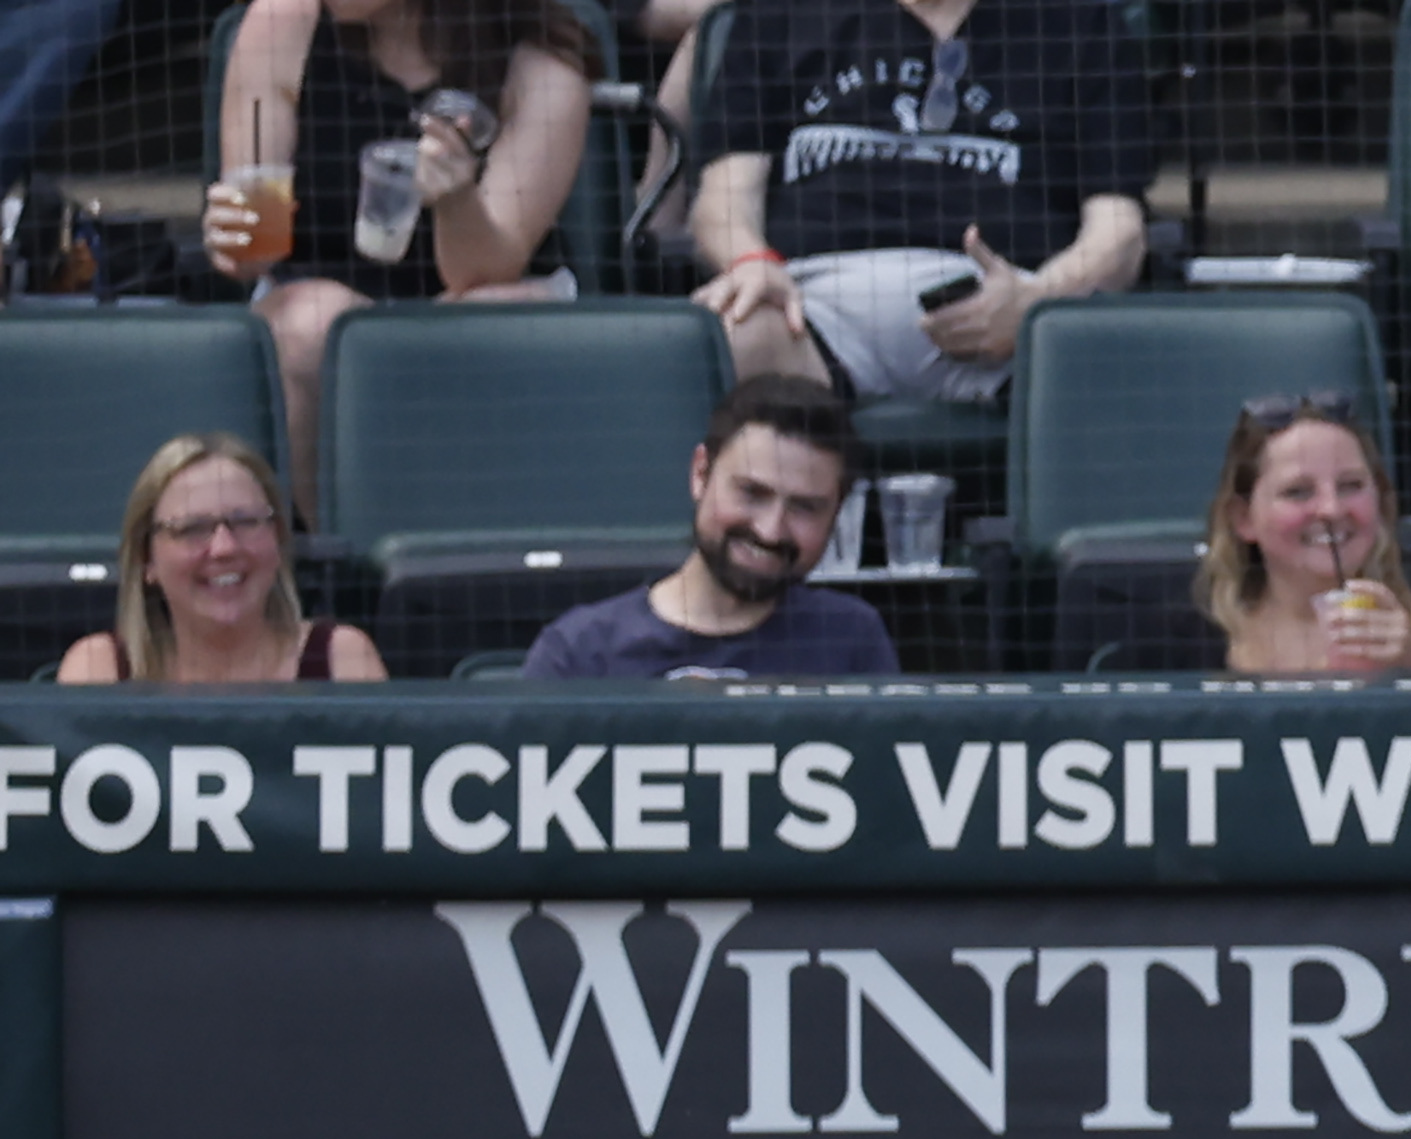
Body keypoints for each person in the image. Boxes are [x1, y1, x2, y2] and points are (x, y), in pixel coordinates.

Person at [205, 0, 597, 517]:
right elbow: (258, 235)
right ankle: (344, 562)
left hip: (479, 293)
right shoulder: (282, 20)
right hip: (320, 297)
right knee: (309, 321)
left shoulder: (543, 64)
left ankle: (461, 557)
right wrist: (236, 240)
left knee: (495, 314)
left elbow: (486, 267)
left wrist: (457, 202)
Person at [687, 0, 1154, 406]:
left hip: (1007, 313)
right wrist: (752, 260)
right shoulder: (781, 13)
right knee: (730, 338)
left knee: (1105, 367)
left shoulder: (1079, 22)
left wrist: (1038, 305)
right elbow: (723, 198)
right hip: (813, 308)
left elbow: (1120, 233)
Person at [523, 375, 898, 677]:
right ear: (700, 473)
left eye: (805, 508)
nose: (770, 531)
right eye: (752, 493)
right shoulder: (582, 653)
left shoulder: (849, 639)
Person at [59, 434, 386, 685]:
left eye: (246, 521)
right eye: (192, 528)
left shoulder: (342, 661)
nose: (224, 547)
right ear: (147, 560)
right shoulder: (98, 670)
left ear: (278, 541)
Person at [1197, 393, 1411, 677]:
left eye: (1350, 485)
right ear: (1243, 518)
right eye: (1298, 492)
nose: (1331, 509)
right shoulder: (1192, 639)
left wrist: (1409, 674)